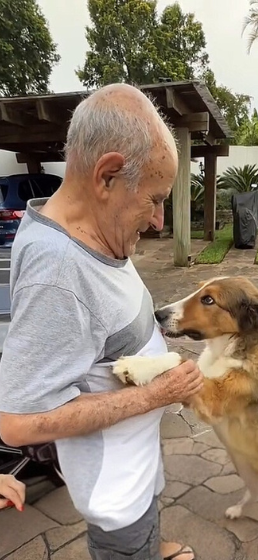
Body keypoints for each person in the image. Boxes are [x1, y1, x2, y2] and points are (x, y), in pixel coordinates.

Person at [0, 84, 203, 560]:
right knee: (127, 540)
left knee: (148, 510)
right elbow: (18, 423)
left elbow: (101, 318)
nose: (157, 220)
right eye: (153, 199)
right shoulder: (58, 273)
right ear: (108, 175)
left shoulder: (90, 222)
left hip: (135, 466)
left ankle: (151, 547)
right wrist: (156, 395)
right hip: (116, 494)